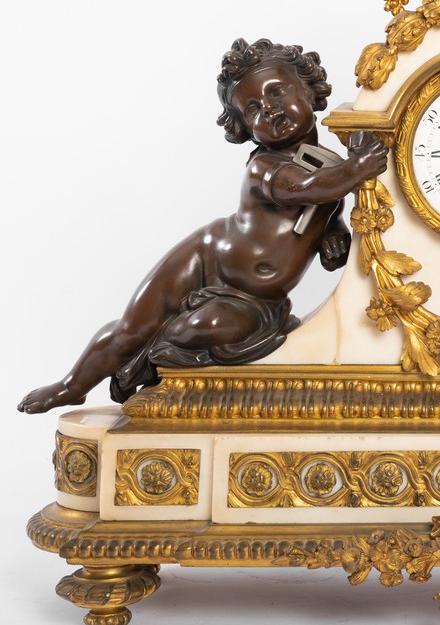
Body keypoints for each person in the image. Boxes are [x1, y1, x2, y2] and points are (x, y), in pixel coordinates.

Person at [18, 38, 388, 414]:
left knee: (193, 329)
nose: (270, 109)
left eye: (277, 91)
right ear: (244, 126)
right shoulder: (266, 166)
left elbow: (324, 212)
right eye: (253, 108)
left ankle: (153, 355)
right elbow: (304, 188)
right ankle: (72, 386)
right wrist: (359, 167)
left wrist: (334, 237)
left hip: (254, 300)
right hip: (207, 256)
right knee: (132, 328)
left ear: (309, 89)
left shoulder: (330, 165)